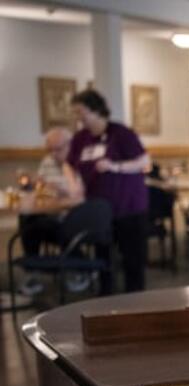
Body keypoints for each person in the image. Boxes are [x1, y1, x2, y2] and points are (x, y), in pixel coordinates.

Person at [68, 89, 151, 293]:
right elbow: (69, 164)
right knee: (103, 256)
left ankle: (135, 301)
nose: (79, 118)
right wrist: (74, 185)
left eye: (82, 112)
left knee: (132, 259)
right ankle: (106, 300)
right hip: (99, 209)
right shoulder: (81, 138)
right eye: (76, 113)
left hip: (128, 206)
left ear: (96, 110)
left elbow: (144, 161)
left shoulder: (120, 133)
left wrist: (115, 166)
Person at [20, 127, 84, 257]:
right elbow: (40, 187)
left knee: (43, 225)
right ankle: (33, 263)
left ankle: (79, 261)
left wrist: (60, 190)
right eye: (50, 150)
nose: (53, 154)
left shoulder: (81, 162)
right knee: (26, 217)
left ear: (71, 145)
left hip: (75, 213)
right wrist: (32, 184)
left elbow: (82, 196)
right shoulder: (47, 161)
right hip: (50, 210)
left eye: (58, 149)